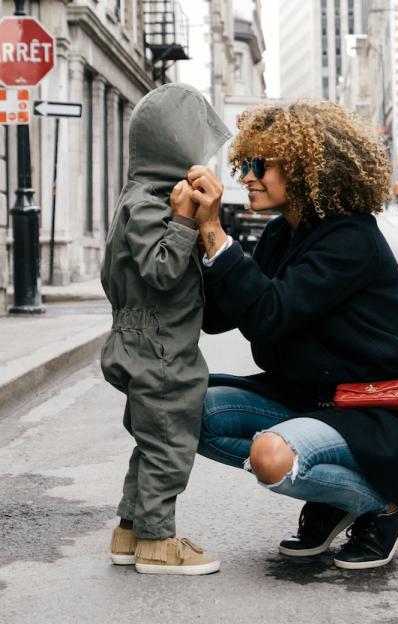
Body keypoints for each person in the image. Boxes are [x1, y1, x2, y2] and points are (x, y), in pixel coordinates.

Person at [187, 100, 398, 570]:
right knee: (183, 413)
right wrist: (194, 231)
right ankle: (334, 495)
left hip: (376, 413)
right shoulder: (281, 235)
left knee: (271, 457)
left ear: (305, 167)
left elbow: (269, 314)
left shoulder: (351, 239)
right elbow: (220, 315)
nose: (246, 177)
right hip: (305, 400)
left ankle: (383, 503)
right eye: (244, 164)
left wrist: (216, 234)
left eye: (259, 165)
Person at [100, 83, 230, 575]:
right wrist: (183, 222)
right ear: (174, 146)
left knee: (150, 442)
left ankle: (130, 531)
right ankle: (158, 542)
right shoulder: (154, 204)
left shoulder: (135, 197)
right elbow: (160, 270)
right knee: (171, 446)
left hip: (139, 341)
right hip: (161, 349)